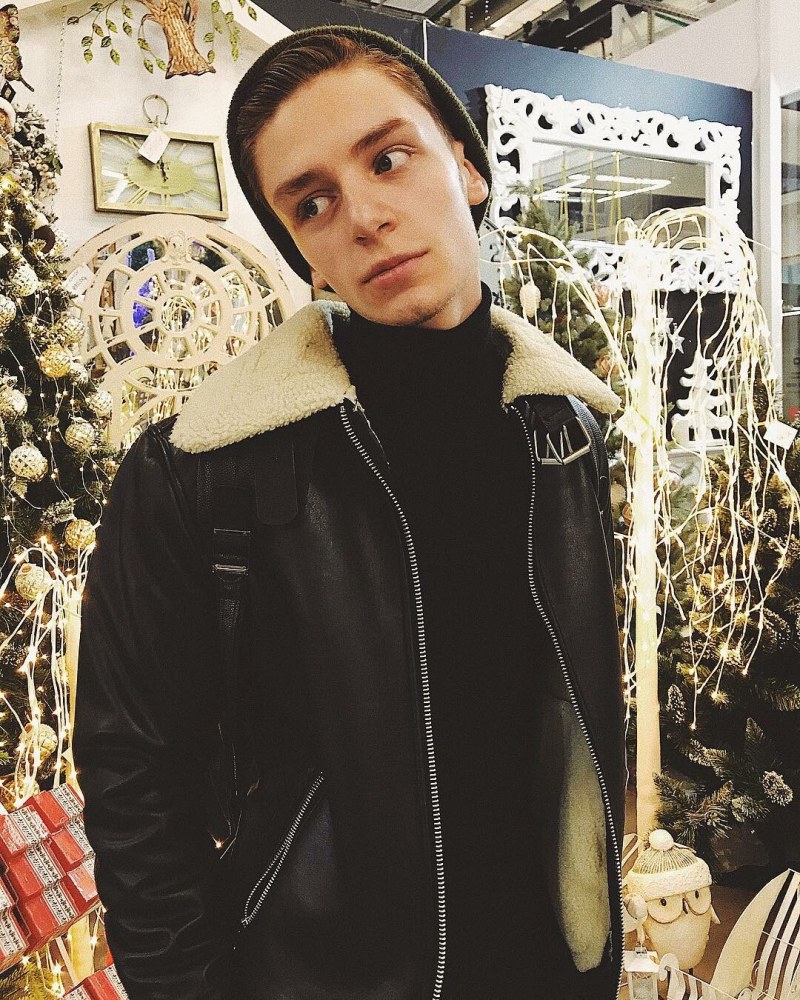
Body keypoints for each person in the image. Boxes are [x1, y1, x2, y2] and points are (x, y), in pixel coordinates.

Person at [74, 24, 626, 1000]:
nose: (364, 217)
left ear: (466, 167)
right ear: (304, 251)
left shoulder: (564, 429)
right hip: (319, 974)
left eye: (387, 158)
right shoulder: (199, 468)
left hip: (547, 965)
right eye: (313, 202)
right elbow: (135, 783)